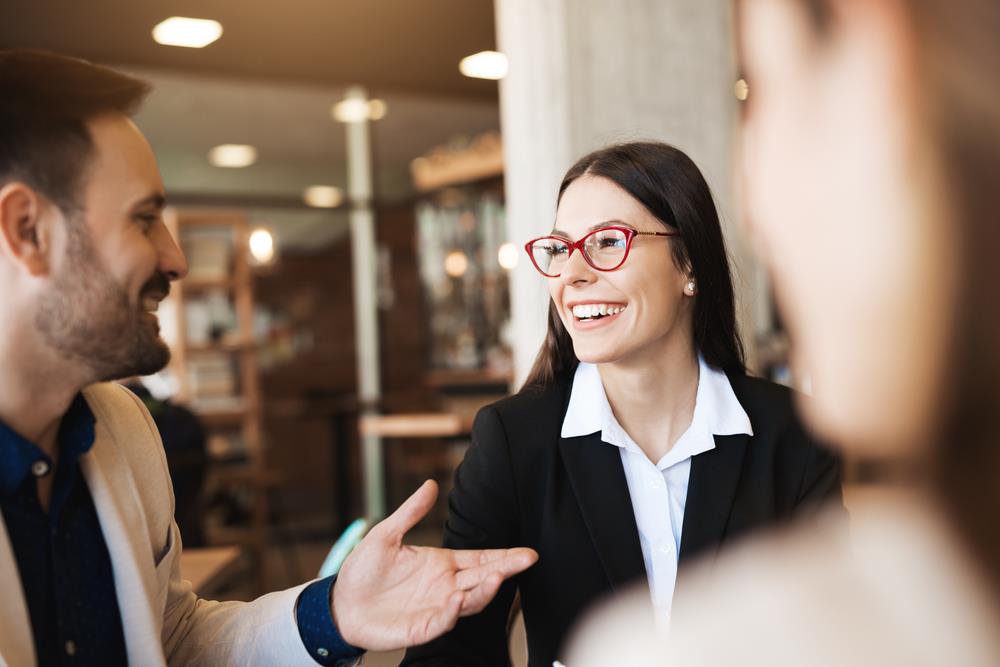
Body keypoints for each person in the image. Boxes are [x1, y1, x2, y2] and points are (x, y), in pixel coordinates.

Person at [0, 49, 537, 667]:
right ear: (29, 230)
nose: (174, 259)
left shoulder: (120, 431)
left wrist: (334, 615)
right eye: (144, 220)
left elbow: (169, 639)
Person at [566, 1, 1000, 665]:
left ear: (884, 62)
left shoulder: (794, 456)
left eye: (763, 89)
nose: (754, 202)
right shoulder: (515, 440)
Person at [403, 141, 842, 666]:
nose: (572, 274)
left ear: (690, 266)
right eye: (561, 249)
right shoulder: (514, 442)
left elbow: (836, 640)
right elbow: (448, 657)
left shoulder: (793, 432)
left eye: (608, 241)